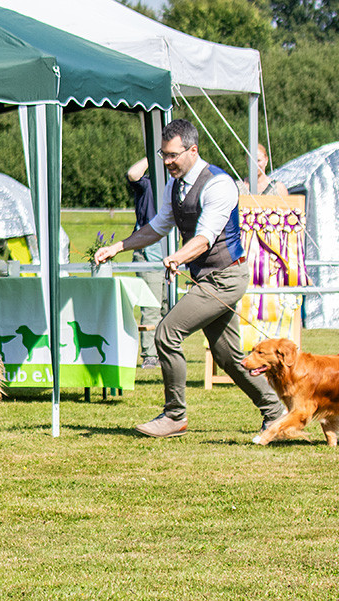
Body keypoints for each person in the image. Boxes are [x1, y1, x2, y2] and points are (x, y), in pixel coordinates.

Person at [94, 119, 284, 438]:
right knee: (228, 355)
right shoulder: (174, 185)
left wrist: (178, 257)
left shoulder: (219, 185)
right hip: (207, 277)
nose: (167, 162)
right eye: (163, 155)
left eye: (173, 155)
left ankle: (175, 416)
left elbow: (205, 237)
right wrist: (118, 246)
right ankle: (276, 412)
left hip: (225, 276)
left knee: (167, 333)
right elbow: (157, 227)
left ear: (192, 150)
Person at [125, 158, 167, 369]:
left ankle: (165, 353)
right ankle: (150, 356)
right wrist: (155, 154)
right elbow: (133, 174)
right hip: (149, 251)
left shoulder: (176, 185)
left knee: (169, 307)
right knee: (152, 305)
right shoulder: (147, 183)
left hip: (171, 250)